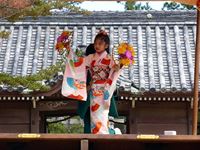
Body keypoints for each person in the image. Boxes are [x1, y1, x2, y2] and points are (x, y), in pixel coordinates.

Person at [81, 30, 121, 134]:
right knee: (94, 113)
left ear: (106, 45)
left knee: (102, 113)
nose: (97, 46)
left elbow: (115, 69)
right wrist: (69, 52)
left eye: (100, 44)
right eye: (95, 44)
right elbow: (79, 63)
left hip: (104, 89)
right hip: (94, 88)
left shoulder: (109, 58)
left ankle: (103, 133)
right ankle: (98, 134)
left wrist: (120, 65)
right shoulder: (91, 58)